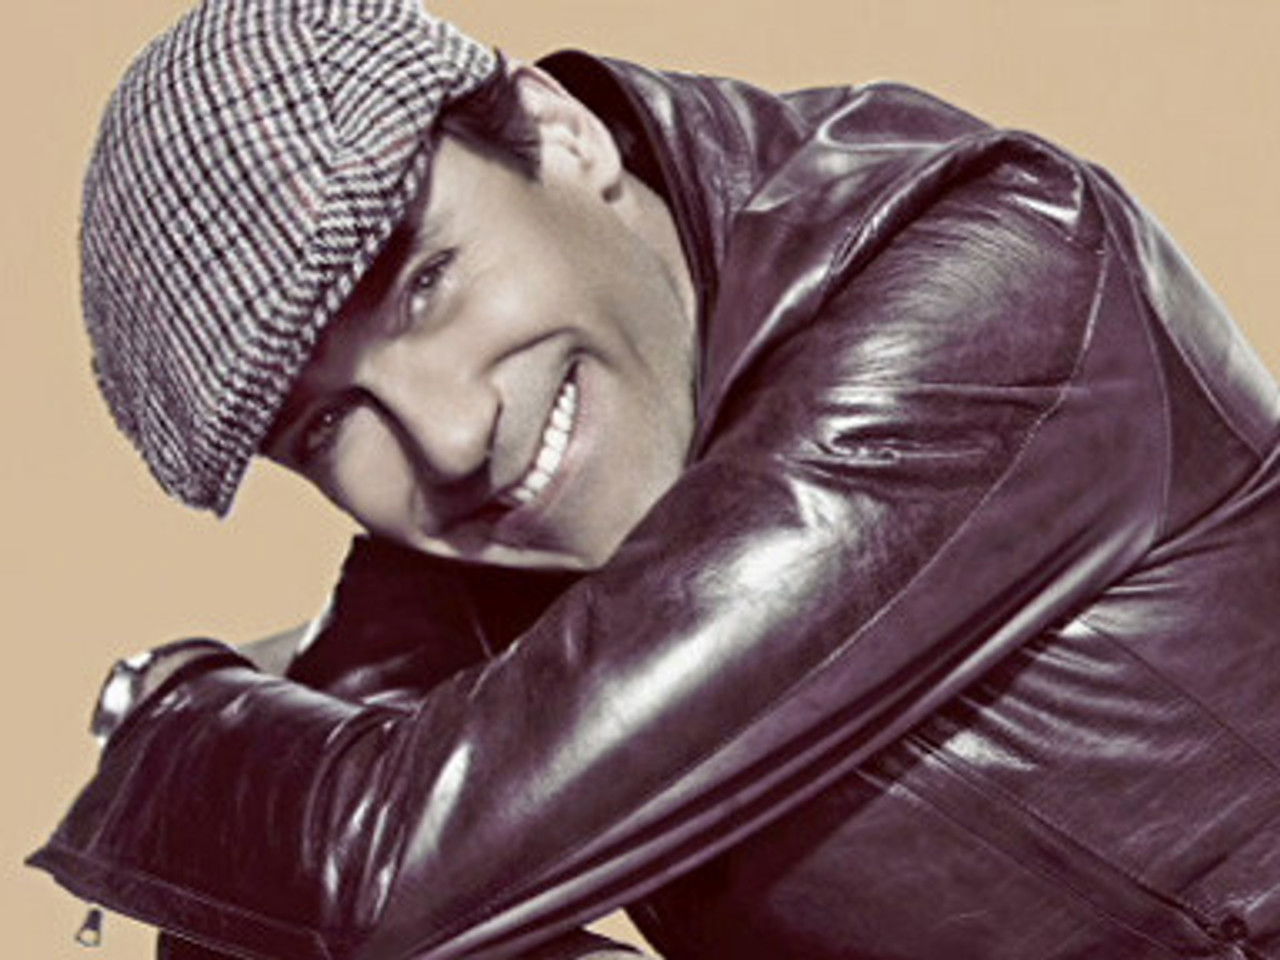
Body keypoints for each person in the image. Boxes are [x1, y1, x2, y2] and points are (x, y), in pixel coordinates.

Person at [28, 0, 1280, 956]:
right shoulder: (483, 543)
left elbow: (389, 860)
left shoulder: (996, 277)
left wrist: (174, 706)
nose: (449, 436)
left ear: (558, 135)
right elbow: (292, 899)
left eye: (423, 283)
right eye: (323, 428)